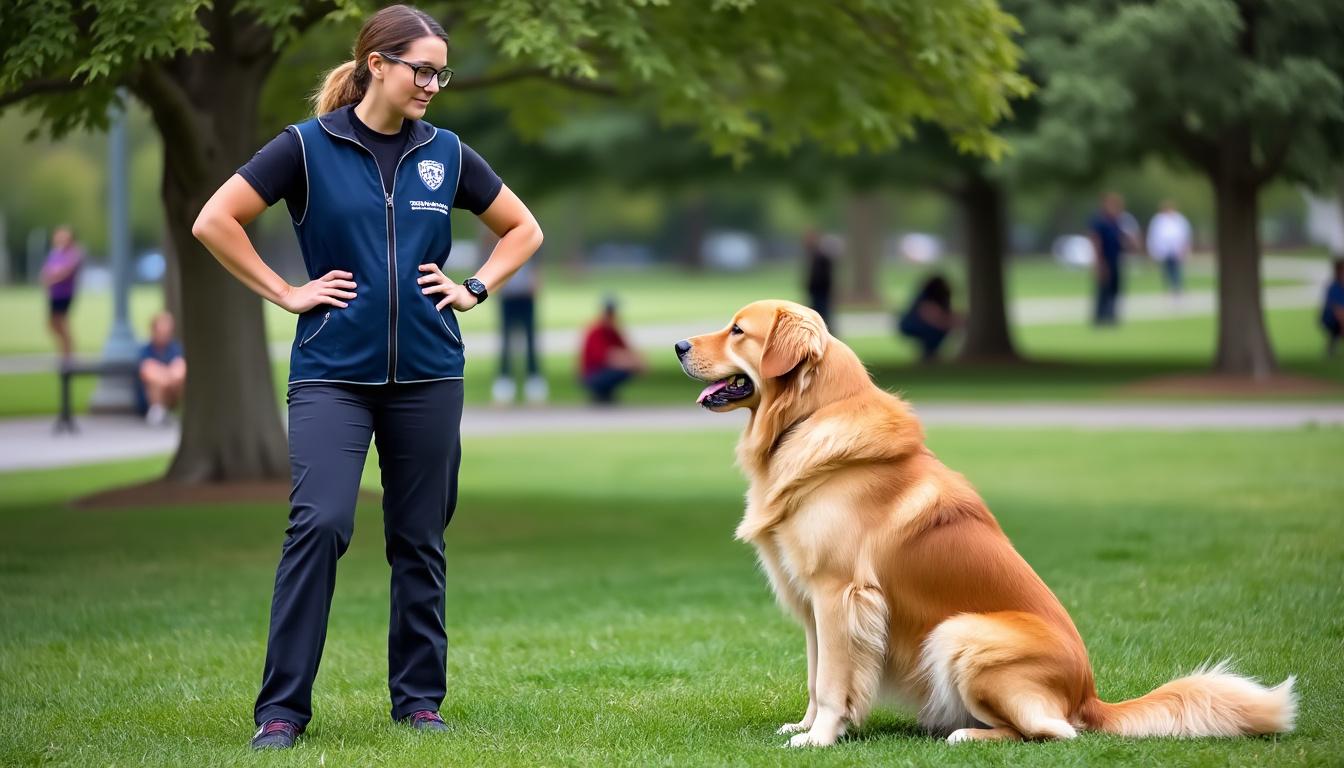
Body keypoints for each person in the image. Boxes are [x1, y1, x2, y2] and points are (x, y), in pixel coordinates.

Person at [191, 4, 542, 750]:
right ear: (377, 64)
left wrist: (474, 287)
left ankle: (418, 702)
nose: (433, 85)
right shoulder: (304, 149)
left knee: (419, 538)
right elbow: (216, 219)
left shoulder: (446, 153)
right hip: (332, 376)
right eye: (422, 69)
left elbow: (524, 228)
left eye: (441, 72)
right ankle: (281, 712)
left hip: (428, 373)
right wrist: (286, 293)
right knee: (319, 523)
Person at [492, 254, 546, 404]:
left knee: (530, 338)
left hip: (526, 295)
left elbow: (536, 266)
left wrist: (536, 282)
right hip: (508, 296)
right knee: (506, 340)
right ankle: (504, 379)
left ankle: (533, 379)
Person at [579, 297, 645, 404]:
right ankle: (600, 393)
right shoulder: (596, 330)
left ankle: (607, 393)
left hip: (604, 369)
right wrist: (629, 361)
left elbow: (626, 349)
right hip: (592, 374)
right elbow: (603, 357)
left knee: (629, 366)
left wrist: (636, 359)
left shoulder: (612, 330)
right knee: (623, 368)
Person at [1088, 193, 1139, 326]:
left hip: (1115, 259)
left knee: (1115, 289)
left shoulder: (1117, 222)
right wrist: (1098, 262)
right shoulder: (1099, 221)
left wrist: (1131, 244)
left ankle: (1111, 316)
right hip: (1104, 259)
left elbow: (1123, 240)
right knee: (1103, 289)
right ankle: (1100, 317)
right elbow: (1096, 241)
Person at [40, 225, 83, 364]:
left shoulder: (74, 253)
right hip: (54, 293)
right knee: (53, 324)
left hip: (65, 293)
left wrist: (53, 277)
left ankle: (68, 353)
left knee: (61, 322)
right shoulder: (55, 253)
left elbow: (66, 271)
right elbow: (47, 270)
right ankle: (64, 351)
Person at [137, 311, 186, 426]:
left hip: (172, 395)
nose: (164, 334)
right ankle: (158, 412)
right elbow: (147, 370)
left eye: (167, 331)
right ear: (153, 331)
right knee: (152, 373)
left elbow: (180, 370)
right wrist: (169, 376)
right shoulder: (145, 351)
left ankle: (167, 411)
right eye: (161, 331)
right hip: (148, 402)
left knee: (181, 369)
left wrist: (168, 376)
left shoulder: (175, 349)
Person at [897, 274, 960, 362]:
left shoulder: (939, 299)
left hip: (921, 325)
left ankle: (930, 354)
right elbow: (933, 317)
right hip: (912, 325)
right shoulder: (926, 298)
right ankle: (929, 355)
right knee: (936, 331)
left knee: (938, 330)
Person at [1147, 200, 1192, 297]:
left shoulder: (1180, 219)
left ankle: (1177, 288)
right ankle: (1168, 288)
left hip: (1176, 249)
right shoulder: (1158, 220)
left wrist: (1184, 248)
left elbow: (1185, 234)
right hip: (1163, 250)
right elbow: (1154, 236)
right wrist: (1153, 250)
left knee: (1176, 269)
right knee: (1166, 270)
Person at [803, 230, 835, 331]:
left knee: (823, 316)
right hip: (815, 293)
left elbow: (825, 277)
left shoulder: (822, 257)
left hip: (821, 293)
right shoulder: (814, 255)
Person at [1323, 258, 1344, 357]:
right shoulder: (1334, 287)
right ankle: (1331, 348)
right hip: (1333, 318)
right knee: (1336, 328)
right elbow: (1337, 310)